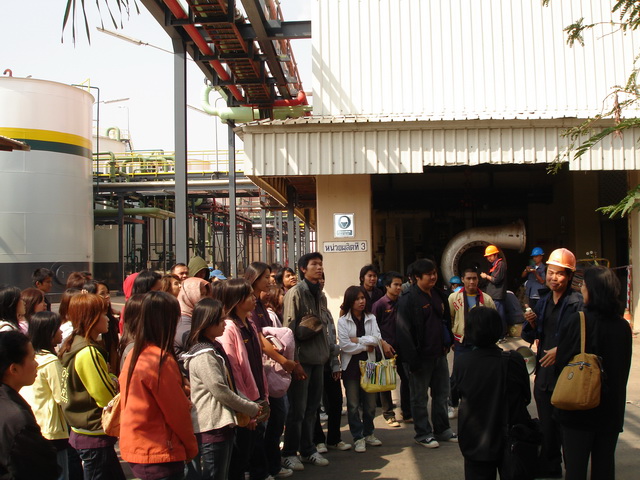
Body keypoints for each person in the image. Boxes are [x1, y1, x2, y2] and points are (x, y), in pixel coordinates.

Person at [555, 266, 632, 480]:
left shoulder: (578, 321)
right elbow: (622, 370)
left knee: (576, 469)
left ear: (593, 290)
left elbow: (561, 364)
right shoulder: (623, 327)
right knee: (604, 468)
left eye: (585, 285)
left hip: (578, 409)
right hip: (610, 410)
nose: (582, 289)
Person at [119, 291, 198, 480]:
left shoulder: (136, 353)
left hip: (140, 445)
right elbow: (176, 412)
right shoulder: (159, 360)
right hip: (159, 450)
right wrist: (191, 446)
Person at [183, 297, 262, 480]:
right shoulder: (204, 354)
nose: (225, 324)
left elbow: (228, 384)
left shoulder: (212, 348)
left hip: (221, 424)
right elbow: (220, 390)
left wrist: (248, 405)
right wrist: (249, 407)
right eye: (220, 320)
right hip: (212, 425)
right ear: (207, 323)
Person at [522, 248, 583, 479]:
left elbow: (584, 339)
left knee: (567, 428)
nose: (553, 278)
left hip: (568, 376)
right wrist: (530, 323)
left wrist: (562, 351)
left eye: (559, 274)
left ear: (569, 276)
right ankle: (550, 467)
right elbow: (530, 335)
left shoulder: (576, 303)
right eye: (550, 272)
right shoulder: (544, 301)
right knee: (547, 426)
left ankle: (573, 470)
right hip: (545, 376)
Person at [452, 307, 532, 479]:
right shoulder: (514, 360)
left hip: (476, 441)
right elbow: (526, 397)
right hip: (512, 440)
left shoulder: (462, 363)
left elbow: (453, 397)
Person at [59, 293, 125, 480]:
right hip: (94, 432)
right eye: (103, 314)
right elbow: (106, 397)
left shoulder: (74, 344)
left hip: (83, 429)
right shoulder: (88, 351)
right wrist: (114, 381)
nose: (108, 319)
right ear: (91, 319)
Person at [244, 262, 298, 480]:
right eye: (266, 277)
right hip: (259, 371)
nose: (270, 281)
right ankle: (261, 468)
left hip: (268, 370)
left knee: (276, 418)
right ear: (255, 278)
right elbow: (259, 339)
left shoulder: (260, 305)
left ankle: (272, 464)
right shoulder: (249, 306)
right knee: (264, 422)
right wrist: (284, 361)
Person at [396, 258, 457, 448]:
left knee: (441, 394)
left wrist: (448, 341)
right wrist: (412, 360)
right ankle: (423, 433)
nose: (433, 277)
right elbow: (403, 332)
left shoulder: (439, 294)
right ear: (416, 277)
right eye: (428, 274)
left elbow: (445, 320)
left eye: (434, 273)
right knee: (419, 398)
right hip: (420, 358)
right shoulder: (408, 299)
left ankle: (442, 429)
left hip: (439, 354)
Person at [281, 252, 332, 470]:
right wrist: (294, 362)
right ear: (303, 269)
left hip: (319, 359)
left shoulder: (321, 295)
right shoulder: (295, 293)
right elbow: (288, 330)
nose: (319, 268)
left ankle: (308, 449)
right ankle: (289, 452)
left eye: (321, 264)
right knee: (298, 409)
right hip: (302, 360)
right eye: (314, 264)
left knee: (312, 408)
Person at [218, 279, 270, 480]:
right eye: (249, 295)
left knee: (254, 444)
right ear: (238, 300)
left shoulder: (250, 323)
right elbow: (234, 371)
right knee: (241, 455)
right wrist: (246, 406)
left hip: (256, 395)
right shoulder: (229, 328)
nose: (254, 298)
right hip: (244, 401)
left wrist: (263, 395)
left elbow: (256, 362)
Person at [0, 330, 59, 479]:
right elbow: (43, 469)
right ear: (14, 369)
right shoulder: (17, 420)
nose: (37, 364)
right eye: (32, 358)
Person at [338, 285, 386, 453]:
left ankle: (369, 433)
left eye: (363, 298)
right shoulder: (343, 321)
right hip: (351, 367)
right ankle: (358, 437)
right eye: (357, 299)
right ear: (350, 301)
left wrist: (357, 340)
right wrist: (365, 346)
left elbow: (377, 339)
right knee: (352, 404)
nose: (361, 301)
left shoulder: (371, 318)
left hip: (369, 365)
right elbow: (345, 345)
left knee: (370, 404)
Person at [22, 311, 69, 480]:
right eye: (57, 329)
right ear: (49, 333)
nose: (61, 332)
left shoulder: (31, 358)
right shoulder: (51, 361)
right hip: (53, 429)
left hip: (35, 424)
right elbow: (62, 396)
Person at [448, 268, 497, 418]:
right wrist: (451, 339)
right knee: (458, 374)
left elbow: (494, 320)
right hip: (461, 342)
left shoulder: (486, 299)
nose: (471, 281)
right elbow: (450, 318)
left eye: (474, 278)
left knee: (480, 375)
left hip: (481, 343)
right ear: (462, 279)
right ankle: (453, 403)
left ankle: (477, 405)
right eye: (468, 278)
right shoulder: (454, 298)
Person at [314, 274, 351, 454]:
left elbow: (331, 335)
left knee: (336, 402)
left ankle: (334, 439)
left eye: (323, 279)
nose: (321, 282)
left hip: (329, 362)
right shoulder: (307, 306)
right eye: (317, 279)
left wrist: (335, 364)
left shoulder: (325, 308)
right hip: (314, 362)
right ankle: (317, 440)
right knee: (314, 405)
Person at [371, 271, 407, 427]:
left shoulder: (403, 302)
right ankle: (388, 414)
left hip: (403, 348)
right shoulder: (379, 305)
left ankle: (407, 411)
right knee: (385, 382)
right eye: (395, 285)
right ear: (387, 286)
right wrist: (382, 344)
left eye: (400, 285)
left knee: (406, 379)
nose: (399, 288)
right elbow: (373, 328)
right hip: (385, 349)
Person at [81, 281, 120, 375]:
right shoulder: (84, 326)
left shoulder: (111, 321)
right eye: (102, 293)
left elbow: (113, 351)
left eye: (107, 293)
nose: (107, 296)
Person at [175, 277, 213, 357]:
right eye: (201, 294)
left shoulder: (196, 315)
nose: (205, 298)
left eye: (206, 294)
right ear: (189, 294)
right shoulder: (183, 320)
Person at [480, 245, 507, 337]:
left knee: (500, 316)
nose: (489, 258)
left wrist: (486, 276)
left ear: (496, 255)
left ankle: (502, 335)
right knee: (494, 316)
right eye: (487, 256)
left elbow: (496, 279)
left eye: (490, 256)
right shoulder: (494, 265)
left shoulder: (500, 264)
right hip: (493, 295)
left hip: (498, 296)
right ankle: (497, 334)